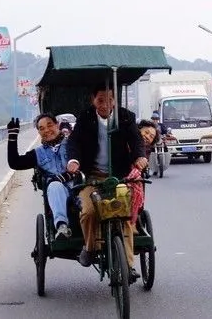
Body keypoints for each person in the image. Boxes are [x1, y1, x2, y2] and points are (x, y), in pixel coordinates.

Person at [66, 85, 148, 280]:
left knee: (125, 214)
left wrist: (139, 157)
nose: (106, 104)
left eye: (110, 99)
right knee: (88, 211)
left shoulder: (126, 117)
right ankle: (90, 248)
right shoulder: (85, 118)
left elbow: (137, 141)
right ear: (93, 100)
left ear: (115, 100)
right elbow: (74, 142)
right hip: (92, 177)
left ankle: (128, 266)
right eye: (101, 100)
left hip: (119, 176)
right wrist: (73, 161)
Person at [7, 115, 78, 240]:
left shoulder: (72, 144)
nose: (46, 130)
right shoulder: (38, 153)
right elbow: (15, 163)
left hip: (79, 187)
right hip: (58, 191)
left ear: (57, 125)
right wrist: (12, 137)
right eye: (42, 128)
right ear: (39, 132)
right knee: (55, 186)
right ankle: (61, 226)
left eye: (49, 125)